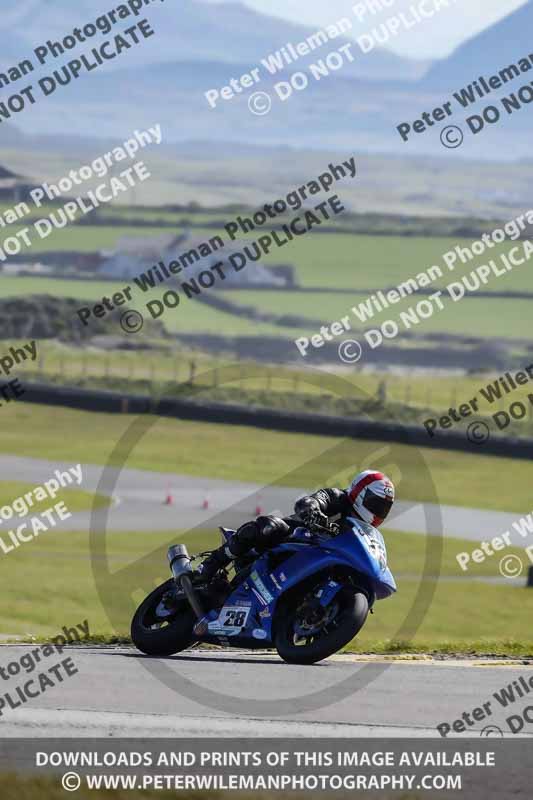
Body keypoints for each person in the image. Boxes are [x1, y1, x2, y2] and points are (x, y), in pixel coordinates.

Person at [197, 470, 395, 581]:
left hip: (321, 564)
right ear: (360, 492)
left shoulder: (365, 534)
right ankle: (210, 565)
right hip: (294, 540)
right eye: (376, 504)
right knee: (269, 526)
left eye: (384, 508)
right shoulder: (338, 497)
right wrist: (313, 510)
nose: (378, 511)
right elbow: (314, 500)